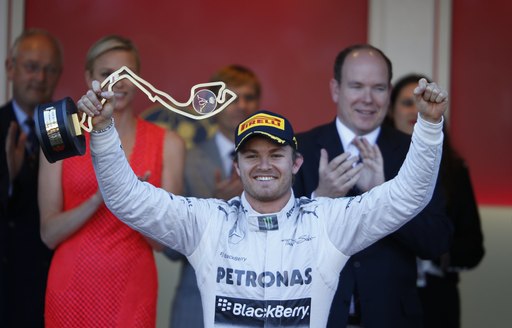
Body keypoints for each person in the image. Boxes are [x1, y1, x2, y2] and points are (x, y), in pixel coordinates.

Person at [78, 72, 448, 327]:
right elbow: (126, 197)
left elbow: (407, 197)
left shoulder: (327, 221)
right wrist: (104, 130)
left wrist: (429, 127)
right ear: (237, 166)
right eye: (252, 156)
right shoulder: (208, 222)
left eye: (276, 154)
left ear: (296, 162)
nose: (264, 165)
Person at [292, 44, 453, 328]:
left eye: (378, 88)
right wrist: (320, 199)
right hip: (315, 317)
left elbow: (436, 241)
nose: (367, 99)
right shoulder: (298, 149)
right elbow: (273, 242)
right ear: (335, 89)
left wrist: (384, 197)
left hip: (392, 318)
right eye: (356, 86)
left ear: (389, 92)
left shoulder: (414, 151)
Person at [38, 35, 185, 327]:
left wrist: (134, 202)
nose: (117, 83)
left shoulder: (167, 143)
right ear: (89, 77)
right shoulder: (61, 139)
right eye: (107, 74)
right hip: (71, 289)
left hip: (132, 287)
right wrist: (101, 197)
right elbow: (49, 233)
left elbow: (165, 242)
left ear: (139, 79)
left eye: (126, 75)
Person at [165, 64, 261, 328]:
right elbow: (171, 249)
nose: (241, 105)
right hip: (198, 303)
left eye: (249, 97)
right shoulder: (186, 159)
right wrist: (215, 207)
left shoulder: (274, 160)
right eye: (231, 98)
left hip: (260, 301)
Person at [388, 73, 485, 328]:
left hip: (436, 297)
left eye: (422, 100)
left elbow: (473, 246)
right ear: (391, 111)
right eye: (407, 102)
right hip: (386, 295)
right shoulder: (374, 163)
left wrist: (434, 249)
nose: (415, 109)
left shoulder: (454, 169)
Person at [0, 29, 63, 327]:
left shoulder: (68, 130)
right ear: (10, 67)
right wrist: (9, 181)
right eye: (31, 67)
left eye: (49, 69)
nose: (40, 78)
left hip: (51, 281)